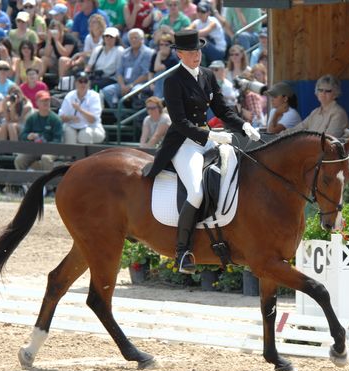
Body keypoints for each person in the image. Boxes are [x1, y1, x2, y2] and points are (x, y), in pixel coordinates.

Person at [144, 29, 260, 274]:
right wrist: (210, 135)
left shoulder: (207, 75)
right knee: (196, 192)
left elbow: (222, 109)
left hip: (208, 140)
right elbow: (180, 122)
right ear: (180, 54)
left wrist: (244, 125)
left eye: (198, 51)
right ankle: (183, 251)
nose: (196, 55)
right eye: (191, 52)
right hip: (185, 144)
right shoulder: (173, 81)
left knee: (238, 175)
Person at [103, 28, 154, 108]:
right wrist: (123, 86)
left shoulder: (148, 53)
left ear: (142, 39)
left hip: (141, 84)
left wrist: (131, 86)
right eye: (131, 38)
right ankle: (123, 117)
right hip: (125, 84)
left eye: (135, 38)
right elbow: (119, 73)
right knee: (107, 91)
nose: (133, 40)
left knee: (135, 91)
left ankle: (137, 119)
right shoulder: (125, 53)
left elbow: (146, 75)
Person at [16, 90, 63, 170]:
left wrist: (46, 144)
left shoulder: (55, 119)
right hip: (34, 148)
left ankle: (49, 181)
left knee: (46, 158)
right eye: (42, 100)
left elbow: (57, 140)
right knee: (19, 160)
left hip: (51, 149)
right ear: (37, 102)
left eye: (47, 100)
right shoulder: (32, 118)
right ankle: (24, 181)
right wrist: (28, 136)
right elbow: (22, 135)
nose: (46, 103)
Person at [58, 71, 105, 144]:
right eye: (80, 81)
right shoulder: (70, 96)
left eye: (85, 81)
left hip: (93, 127)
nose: (83, 84)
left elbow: (92, 120)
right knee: (68, 132)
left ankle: (86, 155)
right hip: (72, 126)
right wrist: (70, 117)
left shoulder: (94, 96)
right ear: (76, 83)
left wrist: (79, 109)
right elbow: (61, 117)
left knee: (84, 134)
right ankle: (69, 155)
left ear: (89, 83)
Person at [58, 13, 104, 78]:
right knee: (63, 60)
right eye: (90, 22)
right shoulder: (88, 37)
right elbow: (85, 55)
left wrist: (78, 54)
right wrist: (75, 62)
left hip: (100, 61)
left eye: (94, 22)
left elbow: (97, 51)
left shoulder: (104, 37)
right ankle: (62, 84)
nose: (91, 24)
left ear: (100, 24)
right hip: (87, 61)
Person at [147, 32, 178, 99]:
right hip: (158, 84)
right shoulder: (155, 55)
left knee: (160, 74)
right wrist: (151, 84)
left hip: (171, 84)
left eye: (166, 45)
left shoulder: (173, 57)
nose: (163, 47)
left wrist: (159, 54)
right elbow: (151, 72)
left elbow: (157, 68)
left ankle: (157, 99)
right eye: (161, 44)